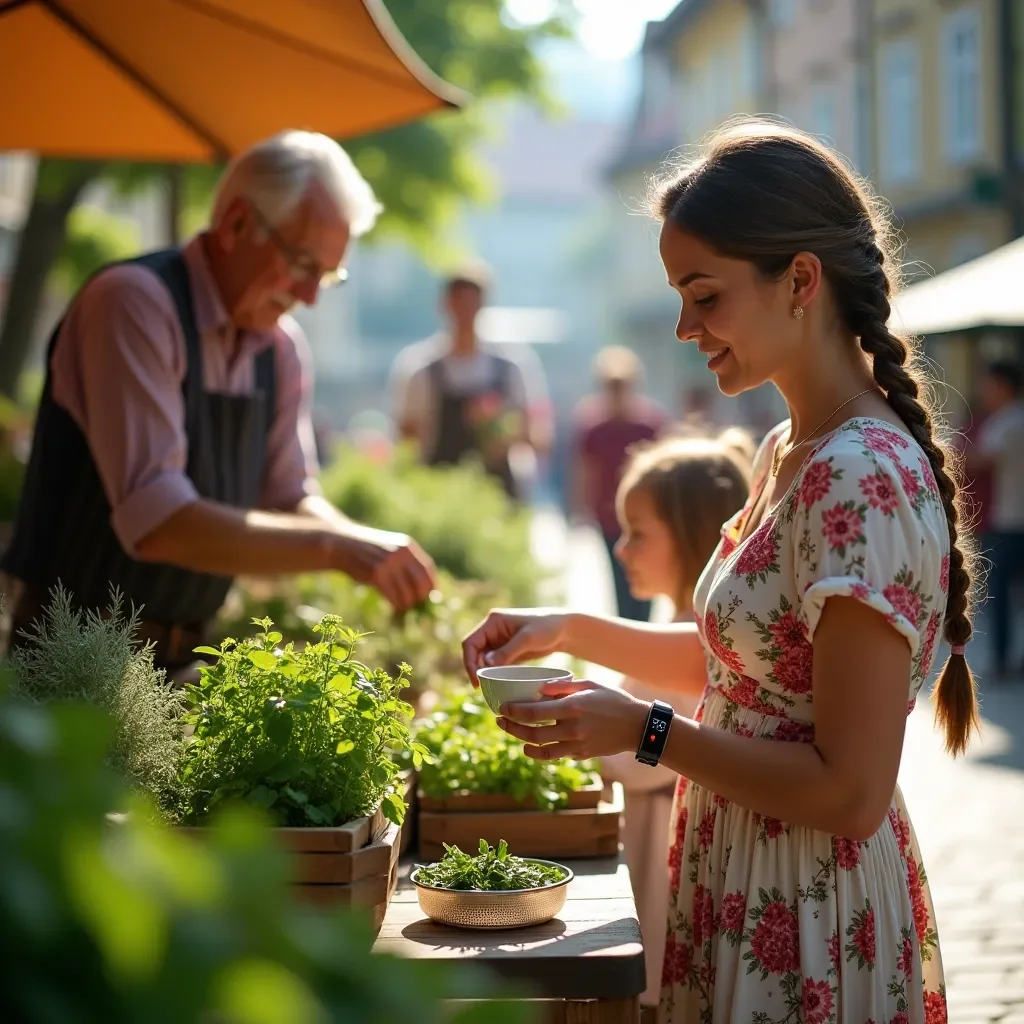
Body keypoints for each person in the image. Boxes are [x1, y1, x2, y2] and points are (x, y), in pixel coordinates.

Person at [463, 120, 977, 1021]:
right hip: (748, 878)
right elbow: (746, 673)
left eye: (704, 294)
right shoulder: (790, 448)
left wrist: (644, 728)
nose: (682, 325)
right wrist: (567, 628)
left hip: (812, 906)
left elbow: (851, 794)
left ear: (801, 281)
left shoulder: (861, 473)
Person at [3, 131, 438, 677]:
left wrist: (361, 542)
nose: (309, 296)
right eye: (303, 262)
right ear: (235, 224)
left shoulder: (280, 350)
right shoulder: (134, 305)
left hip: (187, 657)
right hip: (67, 662)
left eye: (327, 275)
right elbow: (158, 521)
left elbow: (289, 498)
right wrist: (335, 548)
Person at [598, 434, 750, 1012]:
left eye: (638, 533)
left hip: (668, 849)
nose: (621, 549)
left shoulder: (703, 638)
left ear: (693, 537)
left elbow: (647, 750)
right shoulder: (675, 618)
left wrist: (576, 724)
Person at [389, 264, 552, 501]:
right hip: (439, 493)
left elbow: (538, 436)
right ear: (445, 305)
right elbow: (406, 441)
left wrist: (502, 434)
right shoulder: (420, 369)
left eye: (471, 303)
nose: (464, 311)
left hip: (498, 495)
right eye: (459, 302)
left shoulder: (511, 366)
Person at [570, 346, 669, 620]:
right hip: (609, 517)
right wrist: (580, 510)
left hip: (647, 519)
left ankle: (643, 630)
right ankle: (627, 629)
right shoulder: (593, 427)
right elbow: (584, 472)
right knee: (619, 578)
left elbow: (665, 472)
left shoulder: (650, 424)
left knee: (648, 578)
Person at [967, 361, 1024, 679]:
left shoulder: (1008, 421)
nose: (983, 392)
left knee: (1000, 596)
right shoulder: (1011, 419)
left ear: (1002, 385)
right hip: (1009, 517)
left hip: (1010, 521)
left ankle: (1002, 661)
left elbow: (978, 461)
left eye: (988, 384)